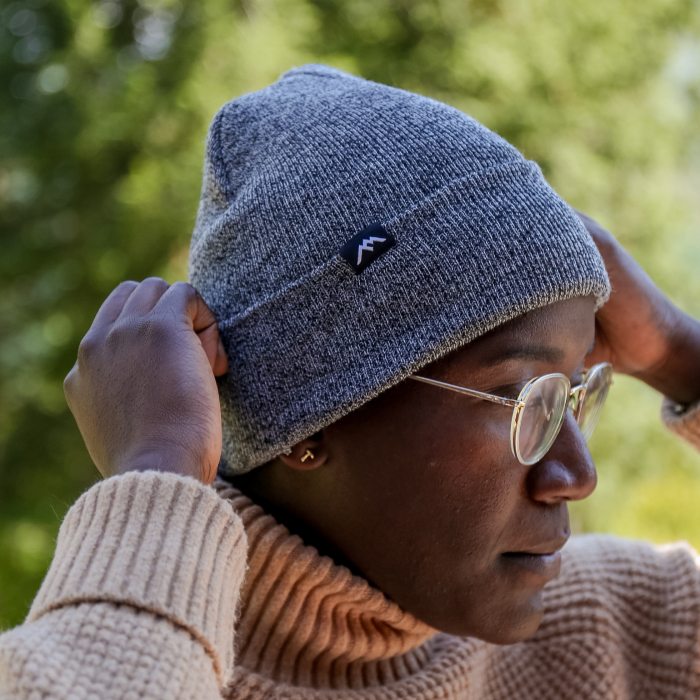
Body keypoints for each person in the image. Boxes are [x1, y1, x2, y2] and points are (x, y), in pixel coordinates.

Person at [0, 63, 698, 698]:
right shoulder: (108, 665)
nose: (575, 474)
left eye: (579, 393)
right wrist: (158, 470)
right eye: (528, 401)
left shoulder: (614, 631)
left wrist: (678, 352)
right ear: (309, 425)